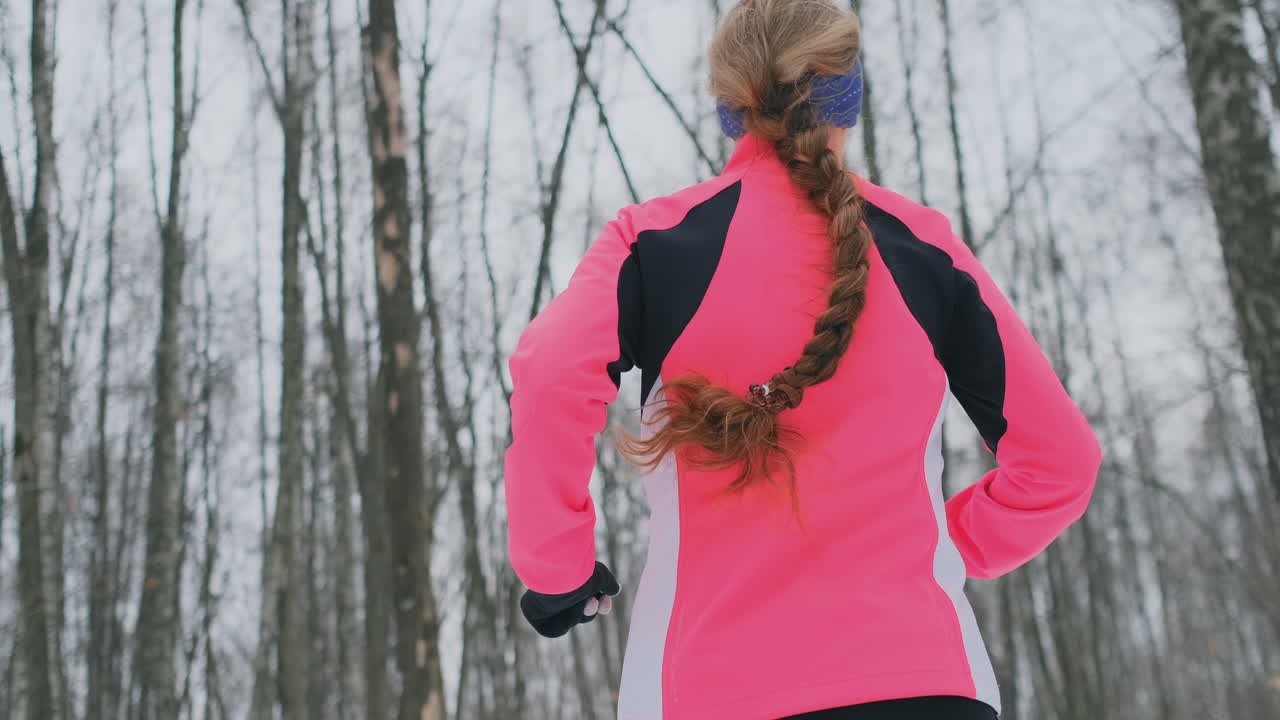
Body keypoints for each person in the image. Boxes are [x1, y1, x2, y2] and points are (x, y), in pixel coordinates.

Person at [503, 1, 1101, 718]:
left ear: (729, 105)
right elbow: (1061, 463)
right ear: (849, 97)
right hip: (929, 681)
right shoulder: (922, 246)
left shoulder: (656, 244)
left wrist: (558, 570)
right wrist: (941, 548)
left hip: (712, 691)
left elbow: (548, 375)